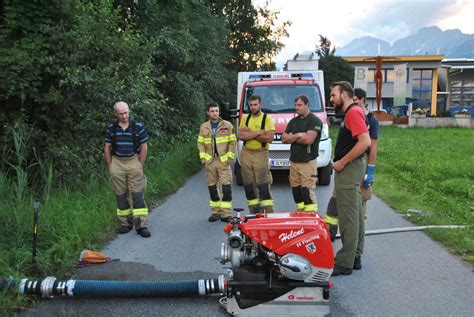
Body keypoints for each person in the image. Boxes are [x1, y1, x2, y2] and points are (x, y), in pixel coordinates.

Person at [325, 88, 380, 240]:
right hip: (348, 166)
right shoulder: (351, 114)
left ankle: (356, 240)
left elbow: (371, 146)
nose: (353, 102)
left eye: (356, 99)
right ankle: (330, 233)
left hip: (360, 165)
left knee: (360, 205)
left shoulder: (371, 120)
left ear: (362, 100)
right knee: (335, 202)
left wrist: (371, 169)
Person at [329, 82, 370, 276]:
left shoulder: (352, 113)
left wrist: (342, 162)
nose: (331, 99)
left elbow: (365, 142)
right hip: (354, 167)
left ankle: (345, 262)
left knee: (348, 216)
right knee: (355, 214)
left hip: (349, 169)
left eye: (333, 95)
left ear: (344, 95)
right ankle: (355, 257)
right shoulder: (352, 112)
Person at [104, 101, 151, 238]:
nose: (124, 116)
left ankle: (142, 225)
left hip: (133, 160)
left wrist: (140, 164)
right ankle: (125, 223)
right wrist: (110, 165)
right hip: (117, 162)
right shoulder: (111, 128)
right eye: (121, 114)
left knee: (137, 195)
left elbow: (144, 146)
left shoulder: (137, 126)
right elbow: (107, 147)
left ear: (129, 111)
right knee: (120, 195)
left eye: (126, 112)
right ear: (116, 114)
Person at [282, 95, 323, 213]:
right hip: (294, 161)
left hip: (308, 161)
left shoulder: (314, 121)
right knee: (296, 190)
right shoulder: (293, 121)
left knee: (307, 191)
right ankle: (300, 213)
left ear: (307, 105)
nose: (296, 108)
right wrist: (298, 135)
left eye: (299, 105)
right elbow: (284, 139)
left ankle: (310, 216)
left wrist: (292, 137)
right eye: (295, 105)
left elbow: (308, 140)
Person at [198, 102, 237, 223]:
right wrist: (203, 158)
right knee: (212, 188)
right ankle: (215, 212)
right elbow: (200, 143)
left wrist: (229, 157)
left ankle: (226, 214)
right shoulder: (204, 127)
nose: (215, 113)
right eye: (212, 111)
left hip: (223, 161)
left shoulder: (227, 125)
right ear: (208, 113)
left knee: (226, 188)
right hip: (210, 161)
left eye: (217, 111)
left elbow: (232, 142)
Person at [238, 95, 275, 214]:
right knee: (248, 183)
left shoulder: (267, 118)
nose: (253, 107)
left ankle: (267, 212)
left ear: (260, 105)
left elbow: (269, 138)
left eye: (255, 105)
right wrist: (259, 132)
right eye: (251, 105)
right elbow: (240, 136)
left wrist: (250, 133)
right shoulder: (245, 118)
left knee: (262, 183)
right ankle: (253, 212)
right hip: (246, 152)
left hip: (261, 153)